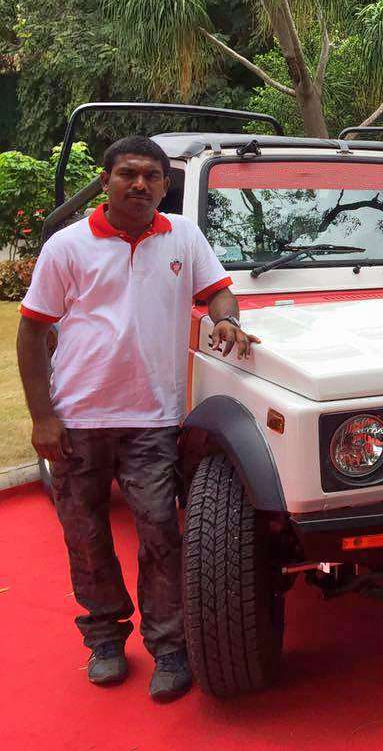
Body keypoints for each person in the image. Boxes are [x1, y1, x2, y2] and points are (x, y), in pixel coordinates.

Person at [16, 135, 259, 702]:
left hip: (154, 417)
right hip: (78, 417)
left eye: (153, 176)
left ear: (164, 184)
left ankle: (170, 647)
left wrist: (226, 319)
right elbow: (32, 332)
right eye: (129, 173)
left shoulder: (184, 236)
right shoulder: (68, 246)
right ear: (105, 180)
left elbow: (219, 292)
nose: (142, 184)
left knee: (159, 533)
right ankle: (104, 637)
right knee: (86, 536)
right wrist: (42, 417)